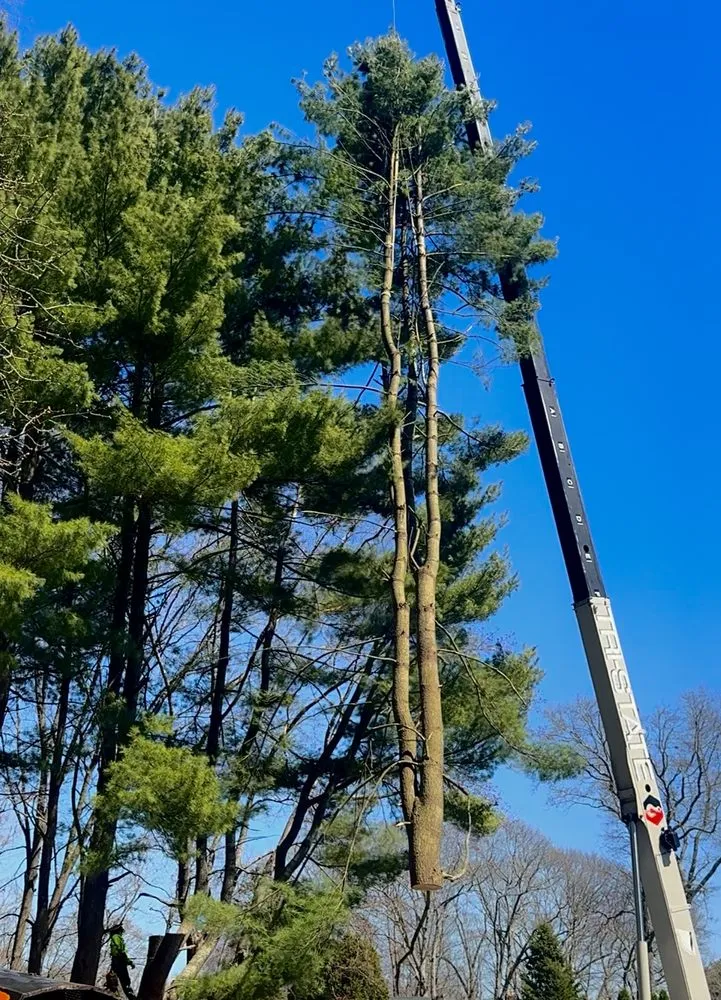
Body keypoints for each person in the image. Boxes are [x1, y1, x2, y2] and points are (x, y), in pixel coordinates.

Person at [109, 922, 136, 1000]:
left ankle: (117, 992)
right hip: (119, 961)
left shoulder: (115, 937)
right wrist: (128, 960)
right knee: (124, 980)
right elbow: (120, 949)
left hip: (117, 961)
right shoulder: (116, 937)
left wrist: (129, 962)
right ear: (119, 931)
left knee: (114, 978)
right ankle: (129, 995)